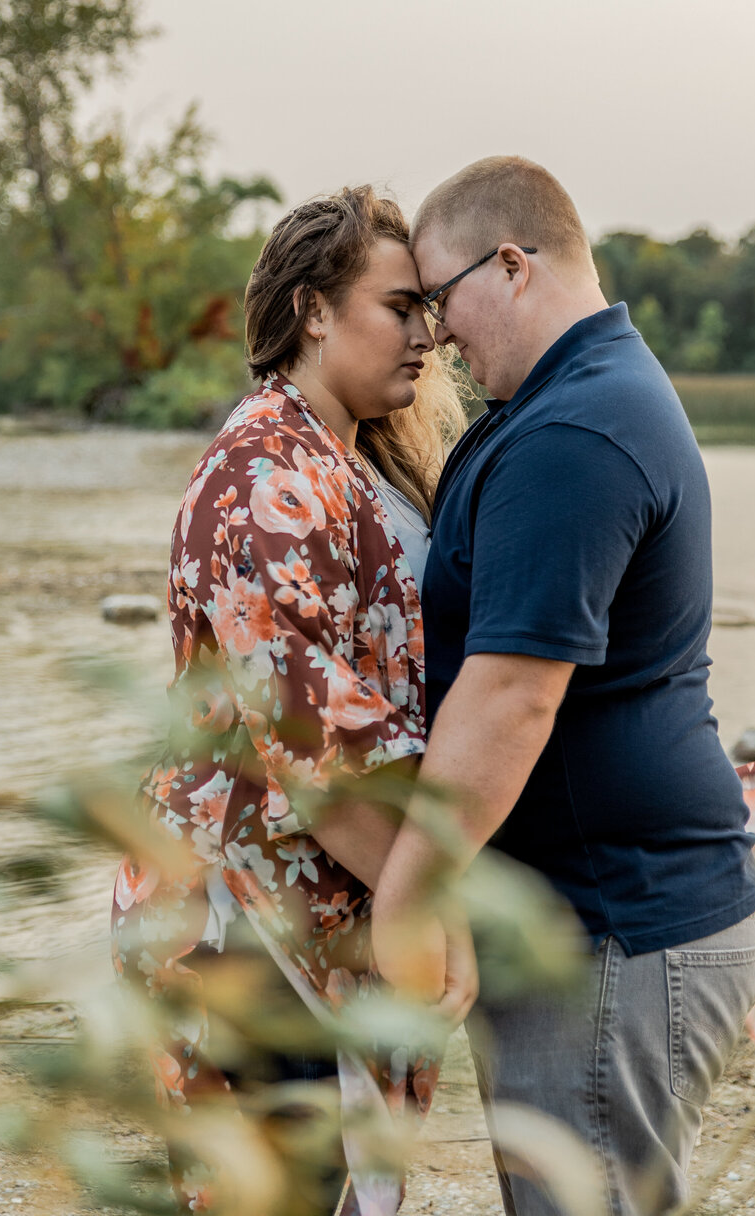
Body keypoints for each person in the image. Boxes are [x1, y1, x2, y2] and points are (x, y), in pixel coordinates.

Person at [371, 156, 755, 1216]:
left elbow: (511, 696)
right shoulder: (567, 400)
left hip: (616, 933)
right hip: (606, 929)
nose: (438, 337)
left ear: (512, 266)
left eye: (441, 302)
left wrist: (406, 899)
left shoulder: (575, 434)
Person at [111, 185, 474, 1215]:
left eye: (430, 311)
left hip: (321, 910)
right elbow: (316, 751)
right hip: (244, 927)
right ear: (315, 311)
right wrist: (430, 920)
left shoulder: (347, 462)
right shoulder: (262, 477)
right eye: (399, 307)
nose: (429, 335)